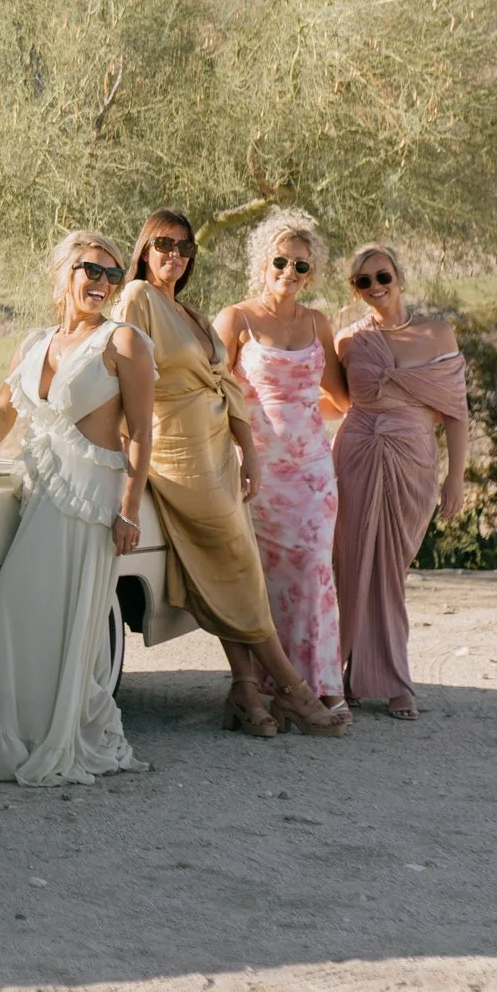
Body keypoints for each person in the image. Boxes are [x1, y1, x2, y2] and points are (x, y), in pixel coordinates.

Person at [113, 210, 344, 738]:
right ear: (145, 250)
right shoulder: (138, 300)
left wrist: (248, 448)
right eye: (163, 245)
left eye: (184, 247)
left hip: (220, 448)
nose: (174, 255)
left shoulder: (188, 312)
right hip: (177, 448)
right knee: (239, 563)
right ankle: (291, 688)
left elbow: (228, 384)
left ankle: (246, 691)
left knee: (234, 562)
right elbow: (125, 377)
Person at [0, 231, 156, 786]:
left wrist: (129, 511)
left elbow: (140, 433)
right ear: (64, 272)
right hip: (39, 492)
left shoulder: (124, 341)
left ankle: (52, 736)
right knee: (21, 611)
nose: (103, 284)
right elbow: (2, 410)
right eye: (92, 270)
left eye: (114, 276)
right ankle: (15, 738)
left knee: (35, 611)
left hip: (90, 501)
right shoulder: (33, 343)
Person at [216, 208, 353, 722]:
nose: (289, 273)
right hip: (256, 472)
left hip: (314, 472)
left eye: (301, 265)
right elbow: (213, 393)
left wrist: (296, 418)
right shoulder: (236, 319)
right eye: (281, 261)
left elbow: (340, 400)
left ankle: (318, 685)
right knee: (260, 579)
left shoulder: (318, 322)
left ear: (312, 272)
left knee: (314, 573)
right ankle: (264, 688)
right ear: (262, 262)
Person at [334, 243, 471, 720]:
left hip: (413, 458)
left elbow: (456, 413)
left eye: (382, 276)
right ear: (355, 290)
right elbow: (333, 399)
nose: (375, 287)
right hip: (356, 453)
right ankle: (345, 673)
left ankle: (390, 674)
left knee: (391, 568)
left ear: (400, 277)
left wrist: (456, 477)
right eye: (364, 281)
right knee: (348, 563)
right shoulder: (348, 341)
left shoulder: (438, 333)